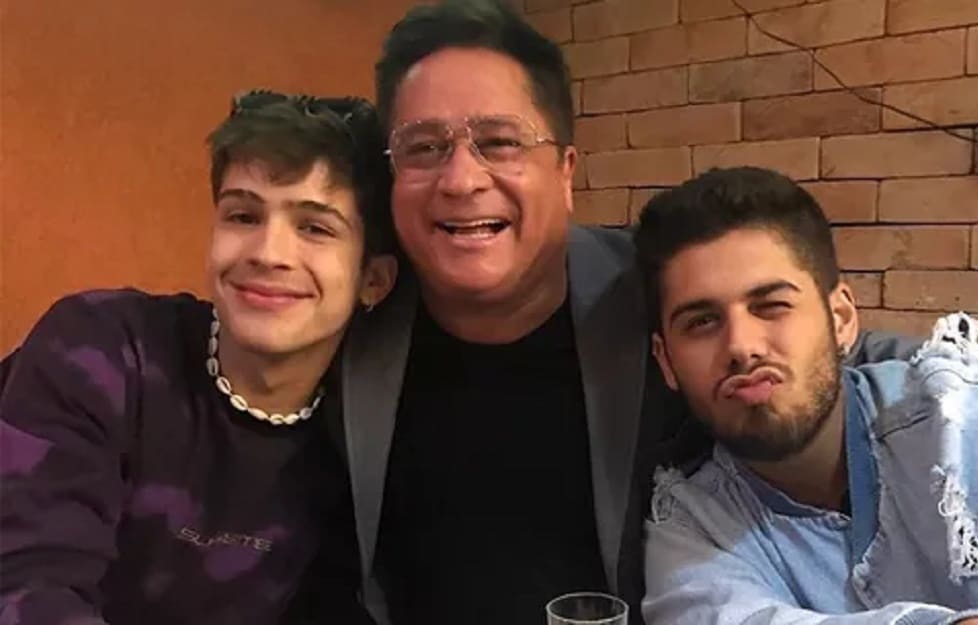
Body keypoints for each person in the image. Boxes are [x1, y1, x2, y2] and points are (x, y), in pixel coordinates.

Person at [334, 2, 920, 624]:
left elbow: (850, 354)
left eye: (500, 142)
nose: (460, 179)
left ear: (565, 171)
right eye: (423, 147)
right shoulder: (354, 323)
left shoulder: (653, 290)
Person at [0, 90, 396, 625]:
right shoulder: (105, 349)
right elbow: (26, 586)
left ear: (374, 279)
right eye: (243, 216)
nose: (268, 253)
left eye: (315, 228)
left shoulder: (359, 451)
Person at [635, 167, 978, 625]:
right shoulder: (692, 530)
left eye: (772, 306)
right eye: (701, 322)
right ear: (666, 361)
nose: (741, 346)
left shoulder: (968, 410)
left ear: (841, 319)